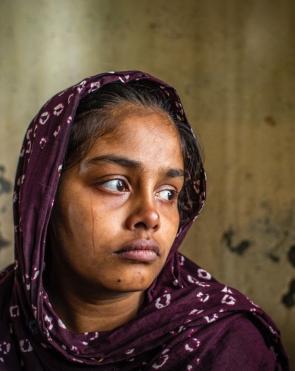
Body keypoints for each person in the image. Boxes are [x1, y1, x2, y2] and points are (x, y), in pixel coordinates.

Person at [0, 70, 289, 370]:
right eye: (115, 184)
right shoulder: (6, 316)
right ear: (43, 197)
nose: (151, 217)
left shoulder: (224, 346)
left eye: (167, 193)